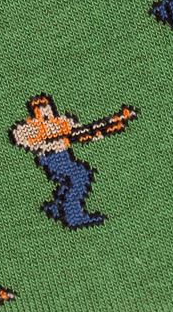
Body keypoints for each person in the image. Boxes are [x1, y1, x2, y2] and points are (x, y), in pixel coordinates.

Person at [9, 95, 105, 229]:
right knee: (77, 179)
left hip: (64, 156)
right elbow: (17, 135)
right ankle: (73, 217)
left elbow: (79, 132)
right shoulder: (33, 127)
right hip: (50, 158)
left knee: (78, 177)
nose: (44, 111)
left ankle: (57, 208)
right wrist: (40, 135)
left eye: (46, 107)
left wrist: (94, 134)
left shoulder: (61, 122)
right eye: (40, 108)